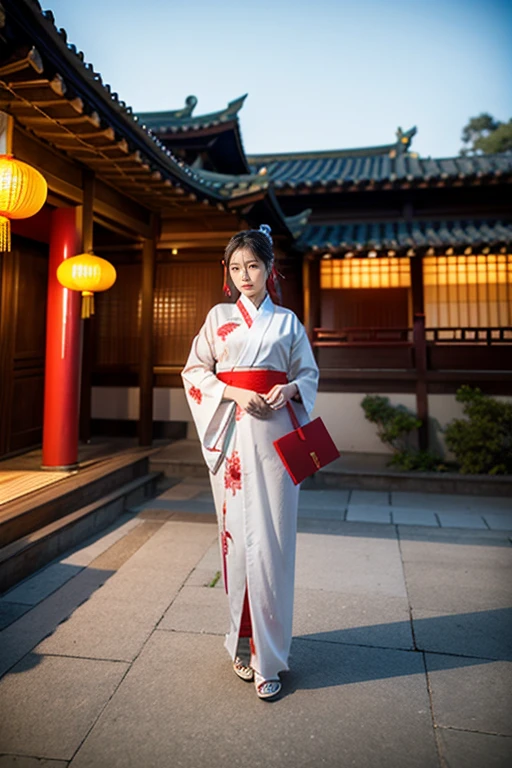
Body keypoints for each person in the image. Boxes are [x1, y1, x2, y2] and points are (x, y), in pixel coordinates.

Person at [181, 224, 319, 700]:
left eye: (253, 266)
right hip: (235, 438)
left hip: (278, 440)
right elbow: (195, 371)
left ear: (269, 269)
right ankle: (241, 642)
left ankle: (271, 657)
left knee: (275, 544)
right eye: (236, 267)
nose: (245, 275)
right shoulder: (218, 316)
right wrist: (235, 389)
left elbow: (308, 373)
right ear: (229, 272)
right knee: (238, 545)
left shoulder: (287, 322)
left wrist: (290, 388)